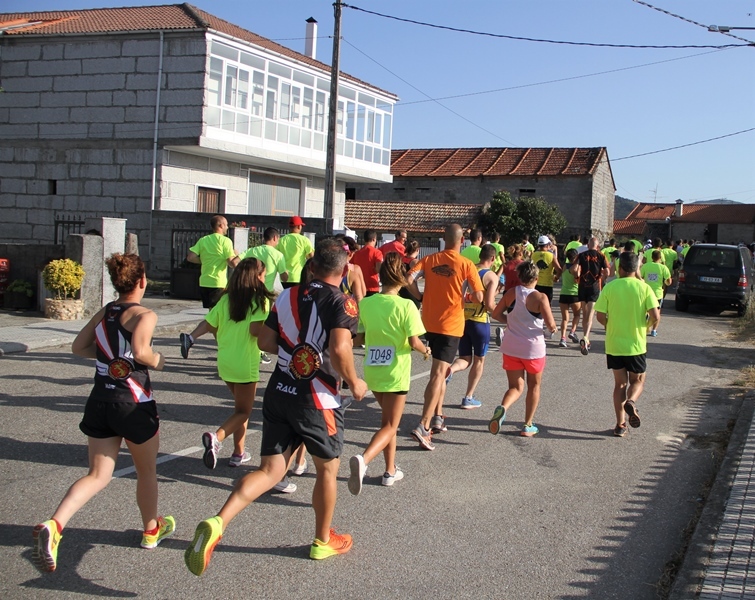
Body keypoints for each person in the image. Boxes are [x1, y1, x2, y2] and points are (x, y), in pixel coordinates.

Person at [184, 239, 368, 575]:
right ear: (343, 272)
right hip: (318, 400)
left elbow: (265, 340)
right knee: (327, 470)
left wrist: (293, 348)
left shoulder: (287, 296)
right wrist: (355, 382)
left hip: (280, 391)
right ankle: (321, 539)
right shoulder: (344, 302)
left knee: (269, 471)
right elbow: (341, 348)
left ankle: (218, 522)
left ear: (311, 268)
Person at [32, 253, 173, 573]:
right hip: (134, 404)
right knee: (147, 471)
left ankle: (55, 524)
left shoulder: (106, 311)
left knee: (97, 474)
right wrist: (159, 360)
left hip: (100, 401)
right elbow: (141, 352)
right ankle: (151, 530)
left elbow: (78, 347)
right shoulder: (145, 314)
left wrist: (109, 358)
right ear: (142, 281)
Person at [348, 253, 429, 494]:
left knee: (387, 423)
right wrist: (427, 351)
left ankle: (390, 470)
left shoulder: (366, 303)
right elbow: (415, 341)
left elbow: (359, 338)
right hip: (396, 370)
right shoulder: (407, 306)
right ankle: (363, 460)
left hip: (373, 368)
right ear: (401, 277)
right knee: (392, 425)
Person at [199, 257, 281, 475]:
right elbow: (255, 331)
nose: (265, 278)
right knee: (244, 411)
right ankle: (216, 438)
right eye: (263, 274)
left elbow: (210, 325)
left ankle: (238, 453)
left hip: (225, 360)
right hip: (245, 360)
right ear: (257, 277)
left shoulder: (226, 299)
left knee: (239, 409)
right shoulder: (260, 300)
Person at [406, 224, 483, 449]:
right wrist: (465, 298)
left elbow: (408, 278)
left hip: (429, 322)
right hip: (451, 325)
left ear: (444, 239)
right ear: (462, 242)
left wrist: (420, 296)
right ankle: (423, 425)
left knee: (439, 371)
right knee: (438, 375)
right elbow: (479, 296)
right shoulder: (466, 264)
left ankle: (438, 416)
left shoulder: (430, 260)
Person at [489, 261, 557, 437]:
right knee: (533, 386)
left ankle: (503, 408)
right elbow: (550, 325)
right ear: (536, 278)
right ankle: (527, 425)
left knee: (515, 387)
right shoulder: (540, 297)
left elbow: (495, 313)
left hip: (511, 346)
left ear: (520, 277)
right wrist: (554, 329)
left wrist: (510, 322)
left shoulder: (511, 293)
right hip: (533, 349)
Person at [595, 252, 660, 437]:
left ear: (620, 268)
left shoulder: (610, 287)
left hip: (614, 344)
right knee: (638, 380)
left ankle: (620, 424)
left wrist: (610, 325)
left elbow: (599, 315)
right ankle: (631, 401)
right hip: (636, 344)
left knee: (619, 385)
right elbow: (655, 316)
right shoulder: (644, 288)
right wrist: (644, 327)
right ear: (636, 268)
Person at [446, 244, 500, 409]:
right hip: (480, 321)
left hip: (463, 320)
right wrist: (502, 313)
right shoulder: (491, 276)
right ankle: (468, 397)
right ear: (492, 258)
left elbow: (460, 296)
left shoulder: (468, 271)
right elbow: (489, 304)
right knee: (479, 360)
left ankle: (450, 371)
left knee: (464, 358)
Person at [179, 215, 240, 359]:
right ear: (220, 225)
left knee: (216, 317)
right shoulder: (225, 241)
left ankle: (222, 348)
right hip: (218, 283)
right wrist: (238, 256)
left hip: (204, 282)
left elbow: (190, 257)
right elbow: (232, 263)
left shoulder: (204, 240)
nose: (227, 227)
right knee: (217, 318)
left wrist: (205, 261)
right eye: (225, 224)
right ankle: (192, 338)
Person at [570, 237, 609, 356]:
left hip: (582, 286)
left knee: (584, 313)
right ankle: (586, 338)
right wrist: (602, 278)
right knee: (590, 315)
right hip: (594, 286)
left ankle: (585, 338)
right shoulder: (601, 256)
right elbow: (608, 271)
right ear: (597, 246)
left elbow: (574, 269)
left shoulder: (581, 255)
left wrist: (576, 275)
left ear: (587, 245)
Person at [239, 227, 288, 293]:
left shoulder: (252, 250)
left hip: (250, 291)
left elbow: (234, 262)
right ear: (275, 238)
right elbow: (284, 279)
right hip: (266, 292)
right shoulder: (278, 255)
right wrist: (286, 272)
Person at [496, 244, 524, 346]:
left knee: (511, 314)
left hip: (507, 292)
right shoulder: (524, 265)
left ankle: (508, 333)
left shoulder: (506, 265)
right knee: (519, 316)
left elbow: (496, 276)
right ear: (521, 253)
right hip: (520, 292)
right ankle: (505, 332)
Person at [640, 250, 671, 337]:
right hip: (658, 294)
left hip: (646, 292)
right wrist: (665, 284)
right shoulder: (663, 268)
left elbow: (640, 277)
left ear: (651, 257)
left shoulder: (645, 266)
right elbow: (669, 281)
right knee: (657, 312)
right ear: (660, 258)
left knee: (645, 311)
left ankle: (643, 327)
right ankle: (654, 330)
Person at [278, 215, 314, 289]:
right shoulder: (304, 240)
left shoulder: (281, 240)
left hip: (285, 278)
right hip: (299, 277)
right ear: (299, 227)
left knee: (288, 298)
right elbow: (311, 257)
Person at [557, 248, 582, 348]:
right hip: (574, 294)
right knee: (577, 315)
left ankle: (563, 338)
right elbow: (577, 280)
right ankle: (572, 331)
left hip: (563, 293)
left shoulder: (564, 267)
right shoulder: (577, 268)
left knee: (564, 318)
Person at [350, 229, 383, 297]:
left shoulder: (356, 254)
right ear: (374, 239)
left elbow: (351, 268)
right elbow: (379, 269)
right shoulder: (377, 253)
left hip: (359, 286)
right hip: (372, 286)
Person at [531, 235, 562, 305]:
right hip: (548, 284)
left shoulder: (533, 255)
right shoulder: (551, 256)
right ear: (547, 245)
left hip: (536, 283)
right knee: (546, 306)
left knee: (536, 306)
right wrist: (556, 278)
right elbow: (559, 270)